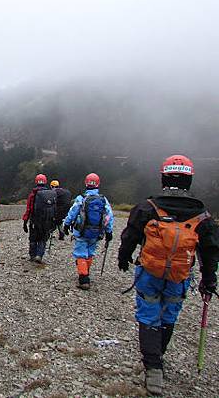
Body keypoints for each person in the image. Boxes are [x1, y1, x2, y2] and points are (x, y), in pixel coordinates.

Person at [117, 155, 219, 395]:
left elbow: (130, 236)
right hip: (179, 274)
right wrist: (209, 279)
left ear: (164, 177)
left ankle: (153, 367)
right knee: (168, 315)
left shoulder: (147, 207)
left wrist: (124, 258)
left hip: (150, 271)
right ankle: (158, 355)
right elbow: (210, 250)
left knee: (148, 313)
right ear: (189, 180)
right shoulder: (202, 215)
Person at [63, 173, 114, 290]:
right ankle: (86, 271)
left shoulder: (81, 198)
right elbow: (109, 217)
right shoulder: (103, 200)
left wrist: (66, 224)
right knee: (90, 252)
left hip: (81, 231)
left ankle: (84, 278)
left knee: (80, 253)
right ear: (98, 184)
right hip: (96, 232)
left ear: (86, 183)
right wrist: (109, 232)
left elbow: (72, 212)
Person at [22, 174, 56, 263]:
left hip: (35, 221)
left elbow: (28, 209)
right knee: (43, 239)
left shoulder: (33, 194)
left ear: (36, 182)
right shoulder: (50, 194)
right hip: (46, 221)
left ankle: (33, 256)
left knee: (33, 239)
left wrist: (25, 222)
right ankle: (39, 255)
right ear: (45, 182)